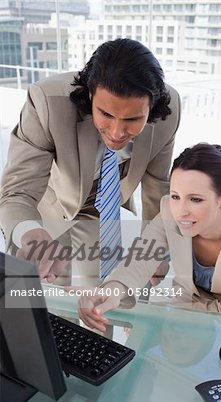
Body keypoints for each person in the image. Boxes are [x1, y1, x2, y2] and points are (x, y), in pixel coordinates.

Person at [0, 38, 180, 285]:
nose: (117, 133)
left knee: (97, 299)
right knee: (47, 295)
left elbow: (157, 189)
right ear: (90, 94)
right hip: (52, 202)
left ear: (152, 108)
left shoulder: (170, 112)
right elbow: (17, 192)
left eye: (133, 119)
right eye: (106, 114)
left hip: (102, 206)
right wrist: (29, 233)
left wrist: (156, 248)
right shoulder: (46, 102)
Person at [77, 143, 221, 329]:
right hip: (188, 308)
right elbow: (141, 259)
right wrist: (113, 290)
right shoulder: (170, 211)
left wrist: (166, 314)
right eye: (176, 196)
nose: (181, 211)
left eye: (195, 199)